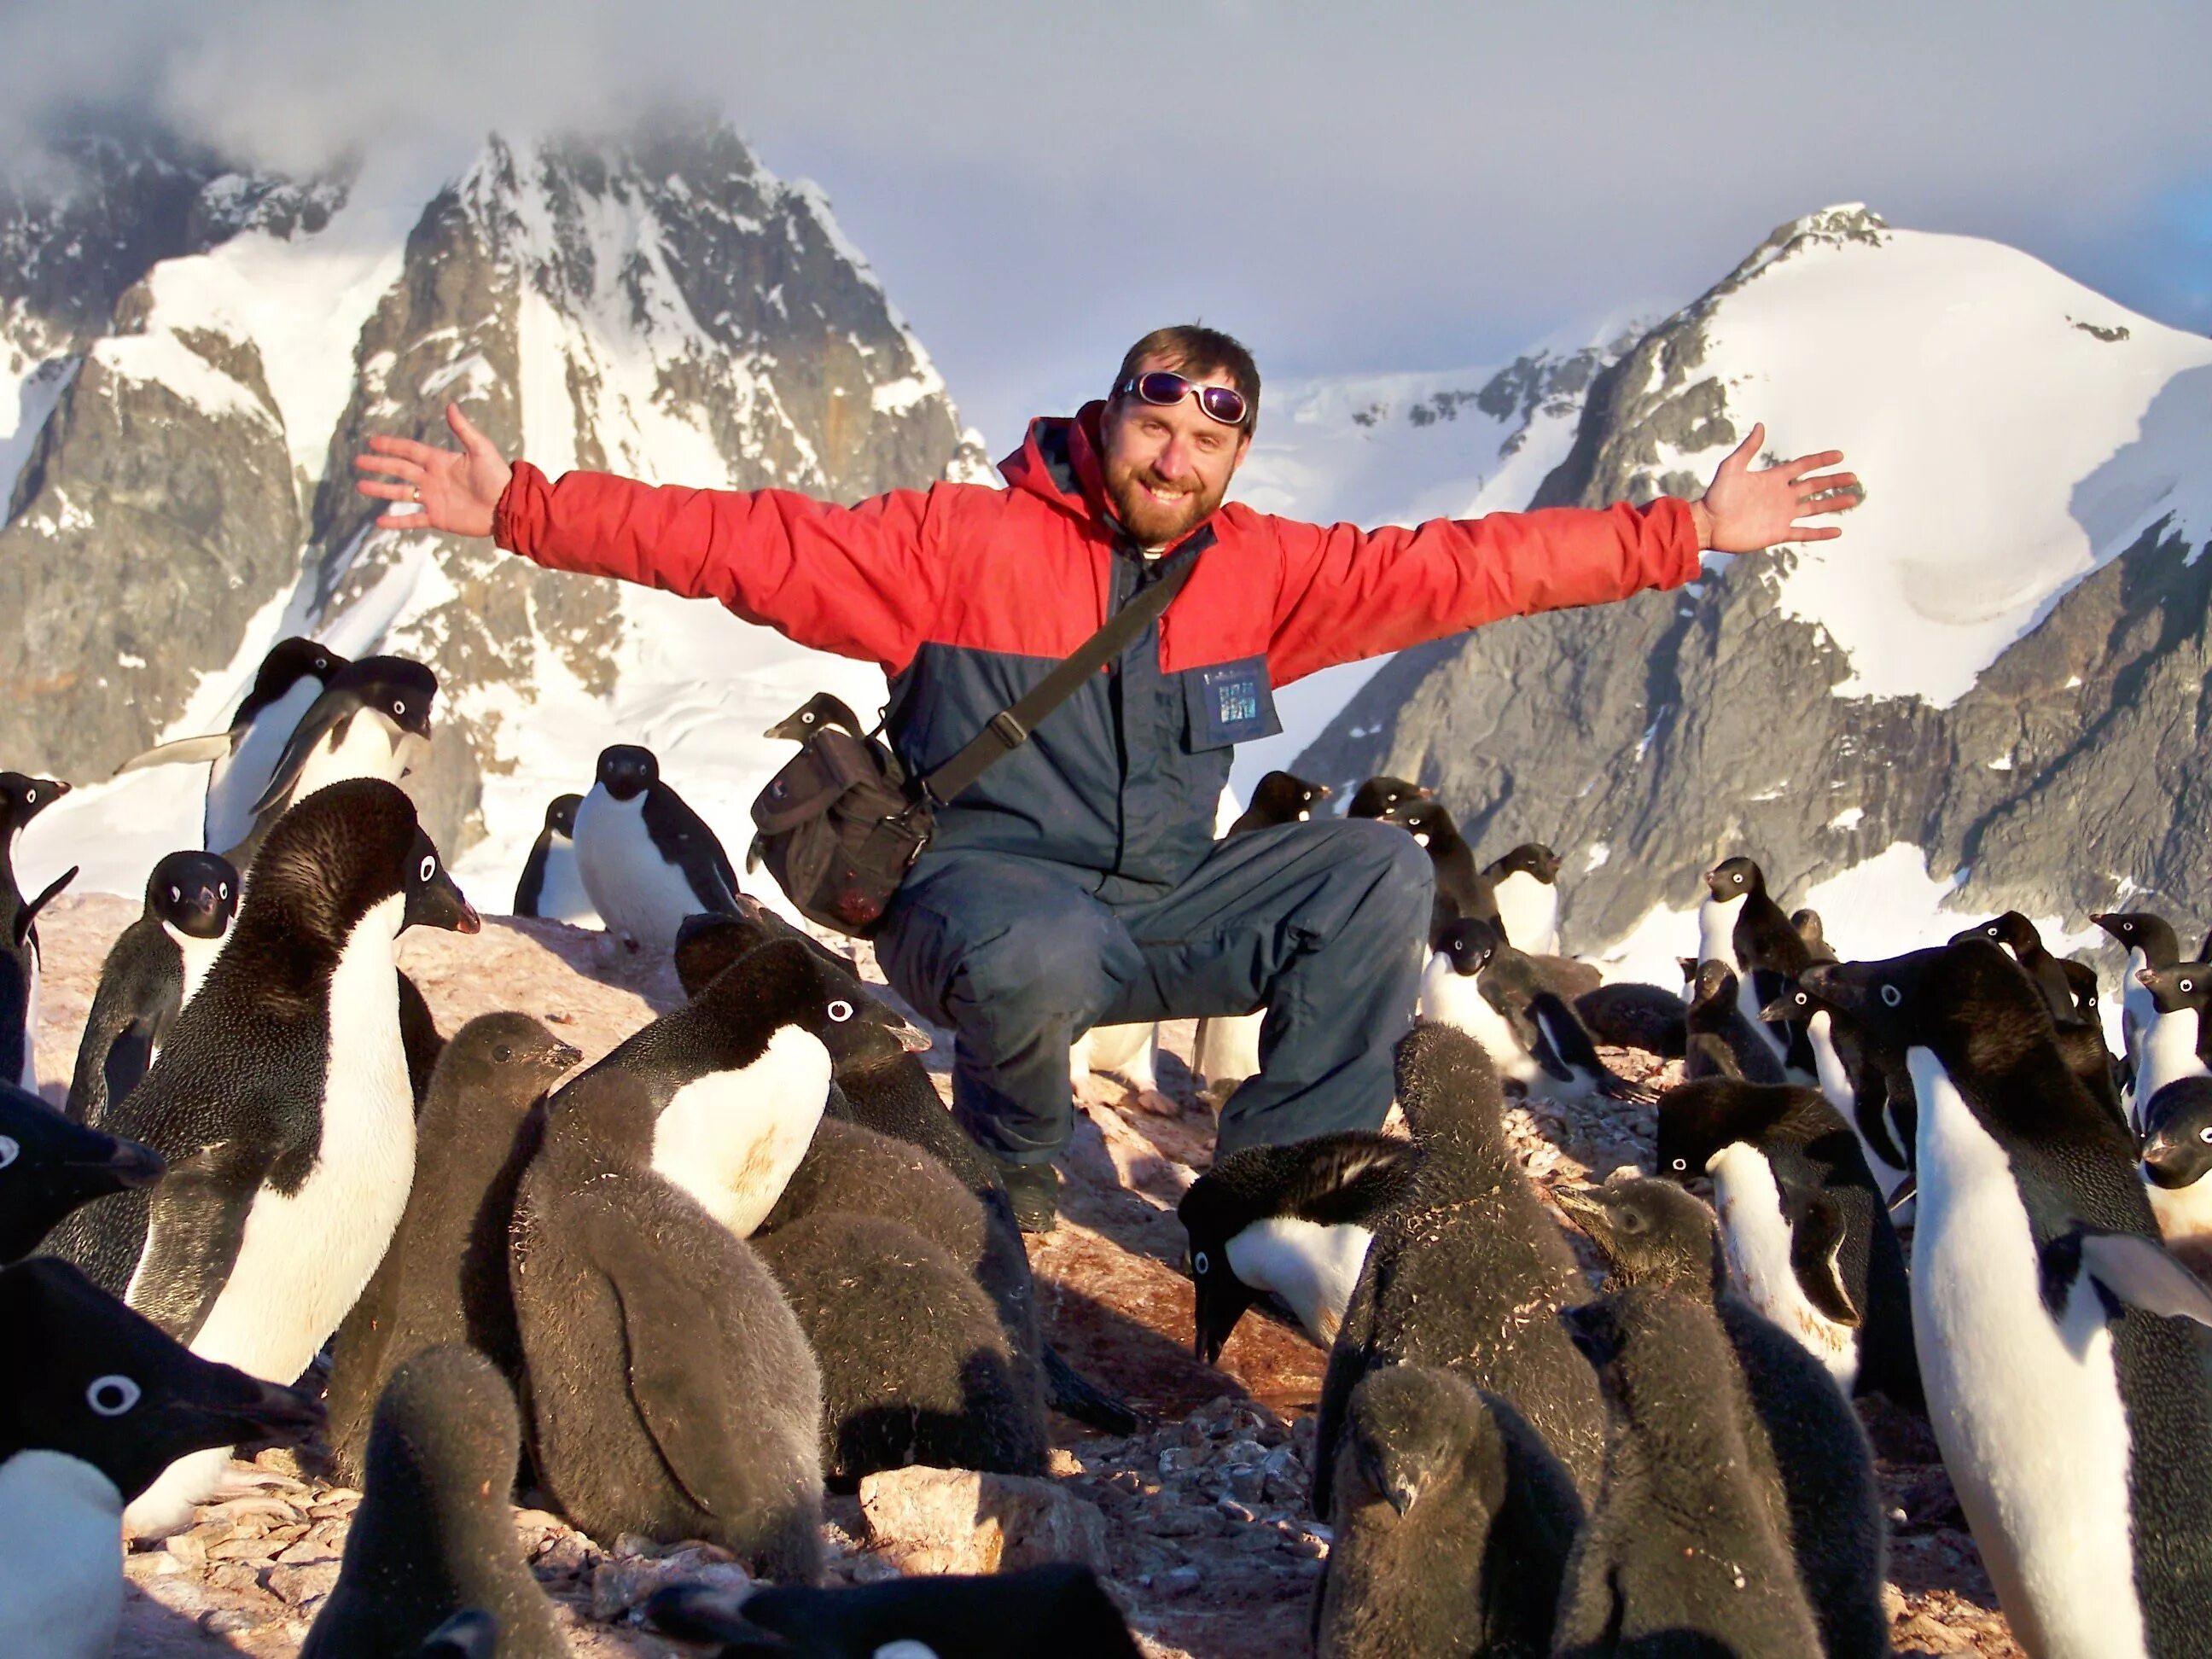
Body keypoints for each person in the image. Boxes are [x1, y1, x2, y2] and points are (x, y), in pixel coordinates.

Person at [357, 325, 1857, 1231]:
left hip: (1159, 908)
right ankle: (1004, 1187)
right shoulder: (963, 544)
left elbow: (1466, 569)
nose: (1181, 446)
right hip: (976, 909)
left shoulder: (1259, 572)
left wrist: (1685, 533)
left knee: (1378, 868)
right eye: (1160, 411)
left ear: (1235, 455)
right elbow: (744, 541)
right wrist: (526, 510)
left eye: (1215, 430)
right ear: (1110, 413)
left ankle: (1272, 1185)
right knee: (1041, 945)